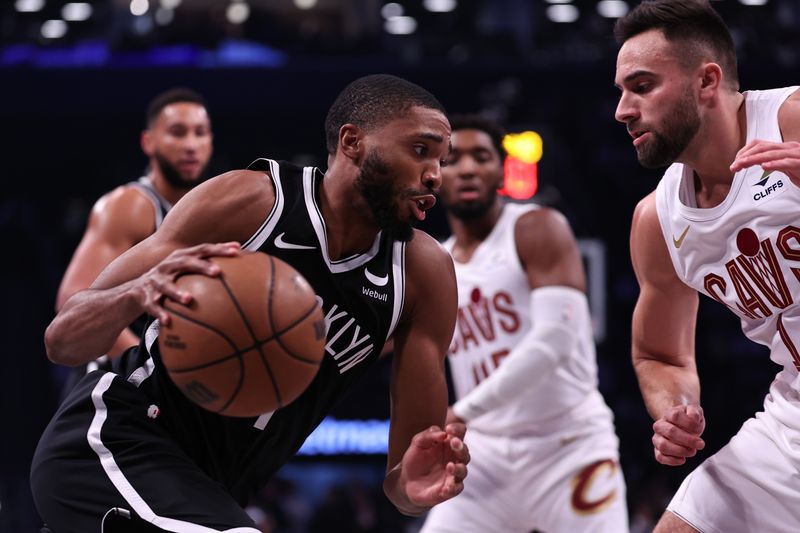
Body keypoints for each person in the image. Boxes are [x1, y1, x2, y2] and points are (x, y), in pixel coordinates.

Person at [32, 74, 469, 532]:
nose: (435, 175)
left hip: (211, 486)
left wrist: (413, 489)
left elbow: (403, 485)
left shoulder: (424, 275)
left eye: (442, 159)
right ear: (352, 142)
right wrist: (136, 293)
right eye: (421, 150)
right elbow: (62, 341)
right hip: (119, 436)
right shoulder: (255, 201)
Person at [614, 1, 800, 532]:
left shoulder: (791, 118)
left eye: (642, 86)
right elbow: (660, 353)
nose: (623, 110)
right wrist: (674, 409)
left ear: (707, 81)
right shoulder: (657, 220)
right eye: (621, 91)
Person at [421, 115, 628, 533]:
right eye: (453, 158)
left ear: (500, 170)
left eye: (481, 157)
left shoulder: (536, 227)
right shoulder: (432, 263)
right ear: (435, 175)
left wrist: (463, 409)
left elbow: (554, 340)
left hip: (567, 444)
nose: (467, 168)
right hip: (485, 453)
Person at [55, 87, 213, 376]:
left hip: (161, 384)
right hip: (109, 382)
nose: (191, 144)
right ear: (149, 142)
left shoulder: (210, 209)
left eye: (200, 133)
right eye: (178, 133)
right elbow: (71, 300)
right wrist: (151, 369)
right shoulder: (129, 205)